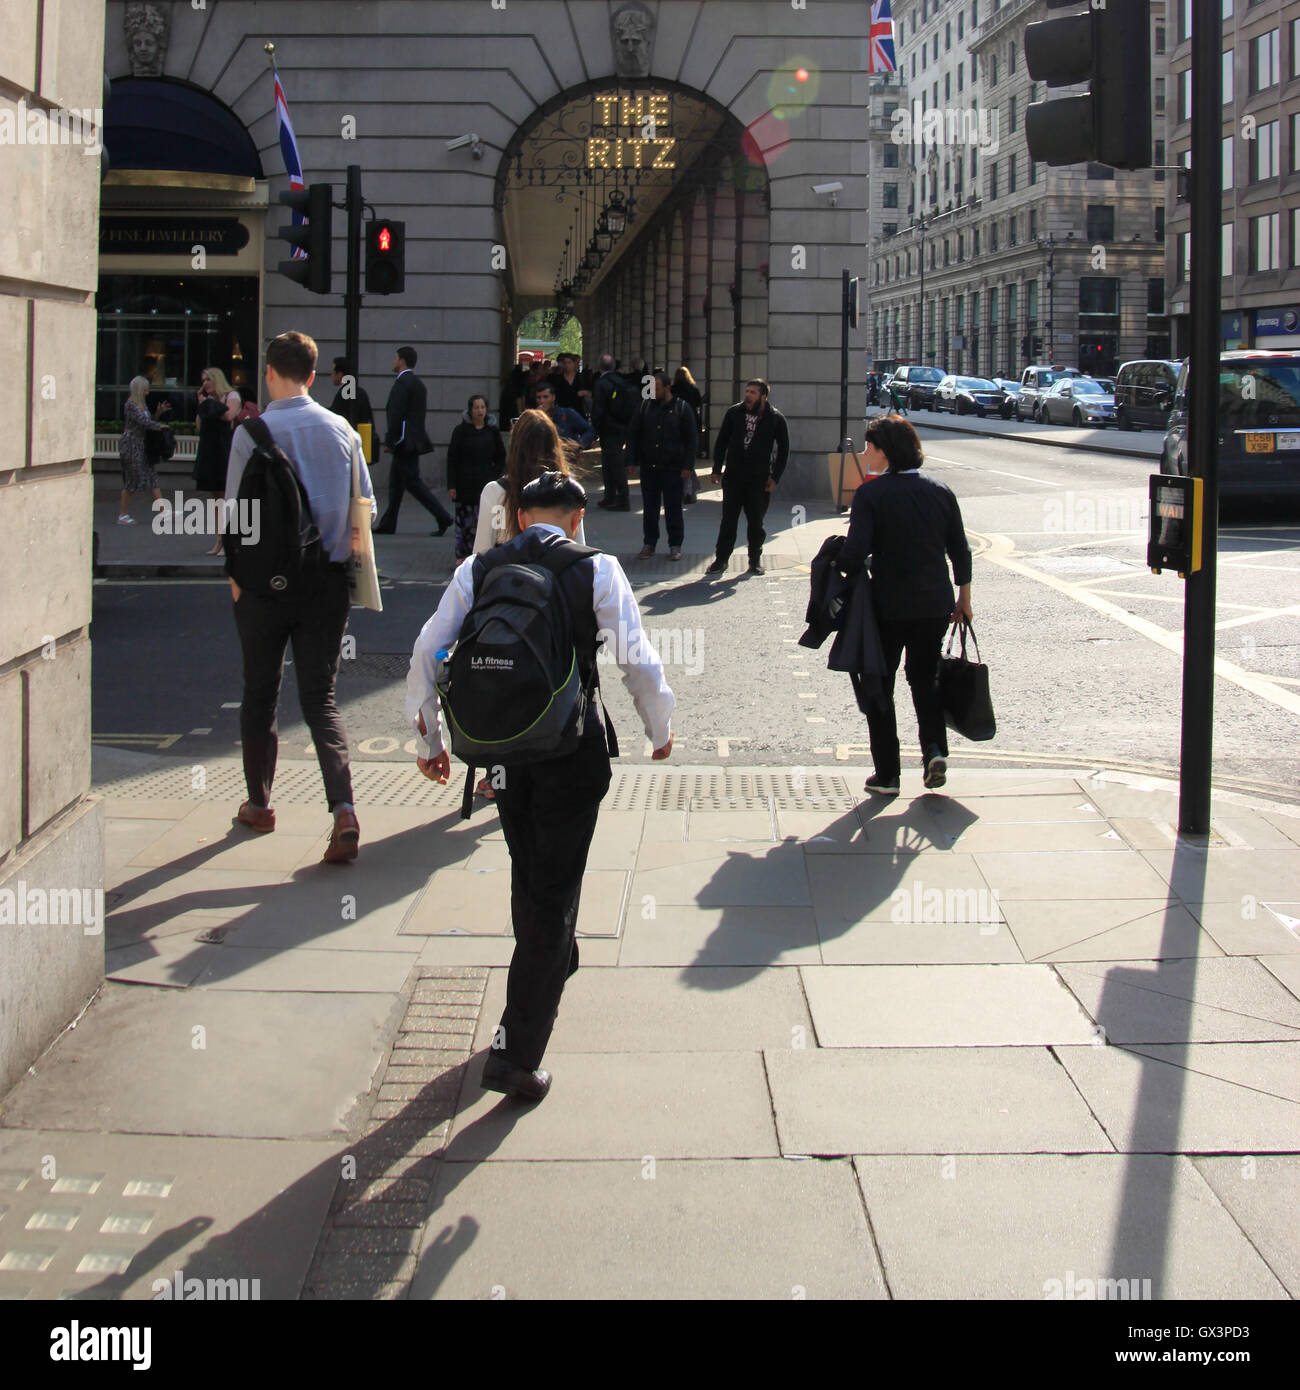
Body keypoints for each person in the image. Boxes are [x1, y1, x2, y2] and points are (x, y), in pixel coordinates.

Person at [406, 470, 675, 1101]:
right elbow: (636, 659)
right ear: (577, 519)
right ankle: (515, 1052)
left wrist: (430, 743)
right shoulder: (597, 569)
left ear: (522, 517)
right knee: (553, 891)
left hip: (500, 752)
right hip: (568, 751)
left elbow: (427, 650)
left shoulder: (480, 570)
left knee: (531, 873)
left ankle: (550, 957)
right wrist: (658, 729)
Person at [225, 330, 375, 862]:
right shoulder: (342, 431)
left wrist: (238, 579)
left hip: (264, 588)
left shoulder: (252, 432)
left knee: (260, 692)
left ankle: (260, 804)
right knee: (321, 700)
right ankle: (344, 811)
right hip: (325, 585)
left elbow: (234, 516)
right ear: (312, 376)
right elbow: (366, 511)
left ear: (269, 372)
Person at [835, 414, 972, 796]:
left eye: (870, 447)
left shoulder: (871, 494)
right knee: (924, 680)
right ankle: (933, 751)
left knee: (880, 684)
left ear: (885, 451)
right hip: (935, 604)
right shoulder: (941, 491)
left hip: (888, 607)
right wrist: (965, 597)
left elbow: (855, 553)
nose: (866, 454)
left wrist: (838, 561)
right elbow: (960, 550)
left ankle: (888, 775)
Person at [705, 378, 790, 577]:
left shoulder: (775, 418)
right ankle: (721, 560)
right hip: (734, 476)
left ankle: (755, 561)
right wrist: (717, 468)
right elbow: (722, 441)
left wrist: (775, 477)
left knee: (756, 523)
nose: (748, 395)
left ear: (763, 396)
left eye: (753, 392)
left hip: (759, 479)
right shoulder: (735, 413)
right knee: (728, 521)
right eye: (747, 391)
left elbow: (784, 450)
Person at [473, 408, 586, 555]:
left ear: (515, 446)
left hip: (507, 574)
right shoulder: (568, 490)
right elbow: (579, 549)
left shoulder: (495, 492)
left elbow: (481, 553)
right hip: (557, 574)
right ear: (554, 446)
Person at [373, 346, 453, 536]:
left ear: (401, 361)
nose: (393, 362)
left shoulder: (402, 383)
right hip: (411, 441)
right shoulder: (417, 384)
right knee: (396, 484)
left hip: (404, 442)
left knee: (413, 483)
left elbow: (396, 415)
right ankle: (388, 523)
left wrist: (391, 441)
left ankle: (443, 516)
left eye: (395, 358)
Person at [626, 369, 696, 561]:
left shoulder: (682, 408)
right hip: (650, 467)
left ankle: (675, 545)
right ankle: (649, 543)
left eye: (656, 388)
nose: (653, 392)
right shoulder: (644, 407)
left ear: (667, 388)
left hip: (673, 467)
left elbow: (691, 439)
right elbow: (633, 434)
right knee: (650, 508)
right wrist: (630, 460)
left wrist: (688, 466)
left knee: (674, 508)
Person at [446, 394, 506, 560]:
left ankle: (483, 554)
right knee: (463, 523)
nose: (480, 411)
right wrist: (451, 485)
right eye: (476, 407)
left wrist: (495, 476)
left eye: (482, 407)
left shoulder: (492, 431)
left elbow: (501, 456)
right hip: (464, 482)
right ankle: (461, 556)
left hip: (485, 482)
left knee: (484, 521)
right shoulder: (460, 431)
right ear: (470, 410)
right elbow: (452, 458)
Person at [193, 365, 241, 556]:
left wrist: (208, 404)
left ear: (217, 380)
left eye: (208, 380)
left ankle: (228, 540)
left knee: (226, 496)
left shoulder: (231, 396)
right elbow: (198, 424)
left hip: (225, 450)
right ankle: (219, 539)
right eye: (203, 381)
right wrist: (203, 403)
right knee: (216, 498)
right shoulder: (208, 401)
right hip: (209, 451)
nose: (205, 384)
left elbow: (229, 415)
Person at [117, 375, 171, 524]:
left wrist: (158, 414)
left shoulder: (141, 405)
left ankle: (164, 511)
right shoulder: (131, 405)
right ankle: (122, 514)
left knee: (151, 476)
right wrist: (160, 426)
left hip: (141, 445)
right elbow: (144, 423)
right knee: (131, 480)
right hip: (131, 445)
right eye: (145, 390)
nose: (147, 393)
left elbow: (148, 422)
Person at [590, 353, 635, 510]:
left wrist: (594, 430)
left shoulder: (601, 383)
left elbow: (598, 408)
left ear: (599, 367)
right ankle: (610, 497)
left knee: (613, 464)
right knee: (610, 462)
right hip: (622, 426)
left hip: (608, 428)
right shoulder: (621, 381)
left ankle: (621, 498)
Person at [533, 380, 595, 447]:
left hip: (566, 454)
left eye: (545, 397)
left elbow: (589, 430)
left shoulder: (567, 413)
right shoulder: (534, 418)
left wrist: (580, 444)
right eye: (538, 398)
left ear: (553, 397)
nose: (542, 401)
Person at [328, 357, 374, 437]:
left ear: (340, 374)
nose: (331, 375)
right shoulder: (361, 392)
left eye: (333, 372)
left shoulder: (343, 395)